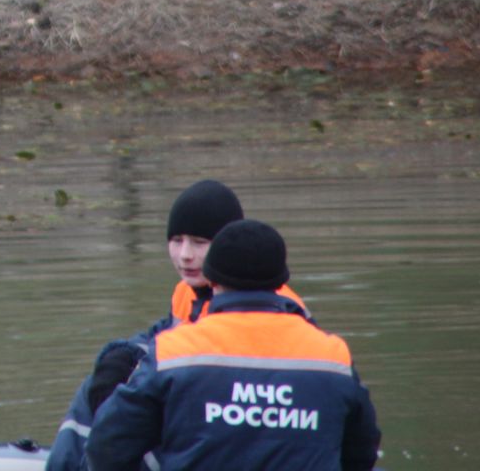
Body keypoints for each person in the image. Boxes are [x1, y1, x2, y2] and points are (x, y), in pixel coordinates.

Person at [44, 180, 309, 471]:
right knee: (101, 380)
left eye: (199, 242)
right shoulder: (187, 292)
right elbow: (165, 335)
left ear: (225, 247)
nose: (185, 255)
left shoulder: (273, 306)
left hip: (232, 421)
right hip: (199, 402)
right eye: (177, 240)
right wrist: (123, 356)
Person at [85, 219, 382, 471]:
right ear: (281, 281)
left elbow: (106, 448)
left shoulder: (172, 353)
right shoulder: (332, 357)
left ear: (211, 279)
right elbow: (362, 455)